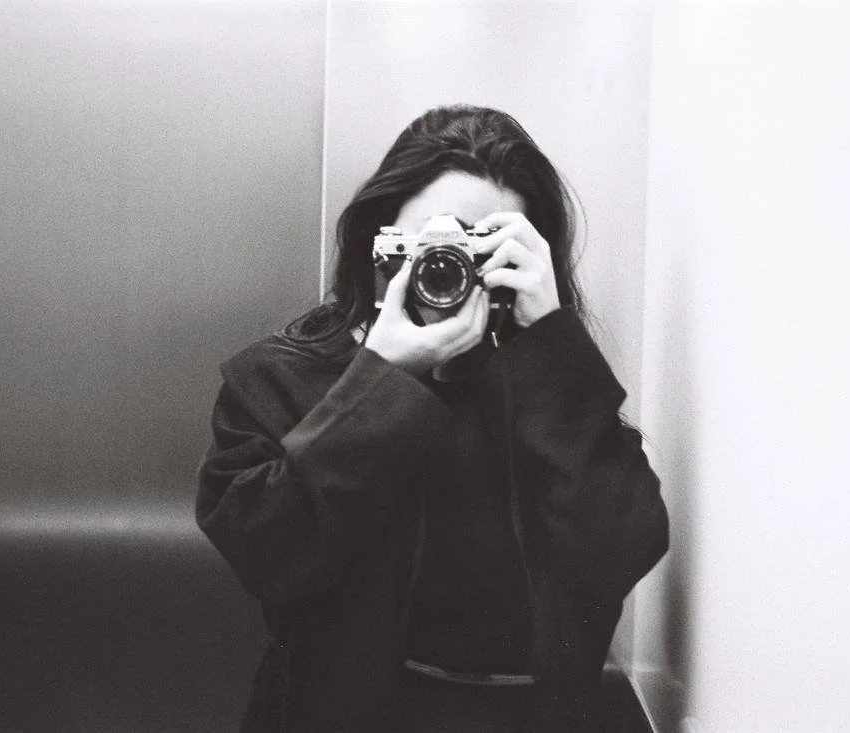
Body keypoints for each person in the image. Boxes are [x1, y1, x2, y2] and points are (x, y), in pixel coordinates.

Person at [196, 105, 668, 733]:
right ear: (379, 241)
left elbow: (621, 548)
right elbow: (265, 553)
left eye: (474, 245)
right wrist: (381, 378)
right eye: (426, 242)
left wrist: (551, 341)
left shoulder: (545, 383)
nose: (443, 265)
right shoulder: (281, 377)